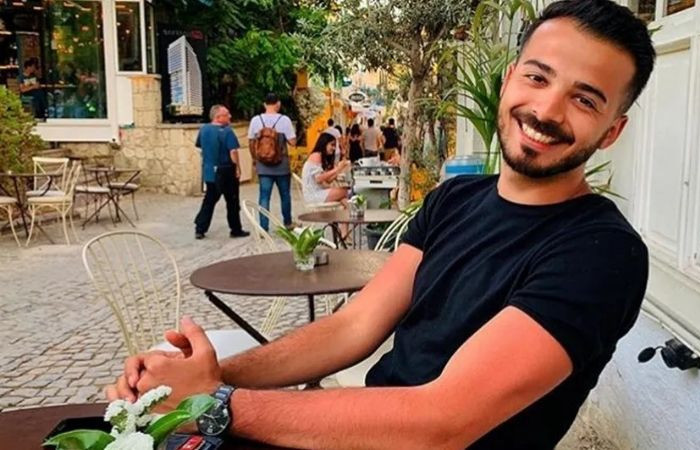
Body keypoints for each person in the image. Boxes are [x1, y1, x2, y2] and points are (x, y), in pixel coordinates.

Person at [107, 1, 655, 448]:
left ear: (612, 131)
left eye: (585, 100)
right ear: (510, 79)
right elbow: (354, 326)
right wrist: (204, 377)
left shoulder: (602, 253)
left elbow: (441, 423)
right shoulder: (455, 199)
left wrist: (214, 404)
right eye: (537, 77)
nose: (547, 110)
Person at [193, 105, 250, 240]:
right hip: (226, 170)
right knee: (232, 201)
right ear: (218, 117)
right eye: (227, 114)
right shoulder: (227, 131)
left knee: (210, 199)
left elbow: (199, 145)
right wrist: (237, 168)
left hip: (209, 170)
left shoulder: (204, 129)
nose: (230, 116)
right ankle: (235, 229)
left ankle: (200, 228)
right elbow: (233, 151)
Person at [248, 93, 296, 231]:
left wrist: (255, 160)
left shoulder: (256, 120)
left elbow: (251, 142)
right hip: (282, 165)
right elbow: (292, 142)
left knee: (264, 197)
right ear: (278, 104)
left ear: (264, 104)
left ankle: (264, 227)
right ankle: (287, 223)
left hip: (263, 166)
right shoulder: (284, 120)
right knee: (285, 195)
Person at [300, 132, 350, 204]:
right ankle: (351, 209)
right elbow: (319, 179)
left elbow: (328, 180)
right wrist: (337, 169)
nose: (334, 148)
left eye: (335, 146)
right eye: (332, 145)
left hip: (317, 191)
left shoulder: (320, 156)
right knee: (345, 191)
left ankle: (349, 210)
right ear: (324, 144)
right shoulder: (316, 155)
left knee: (342, 196)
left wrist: (339, 169)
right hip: (313, 195)